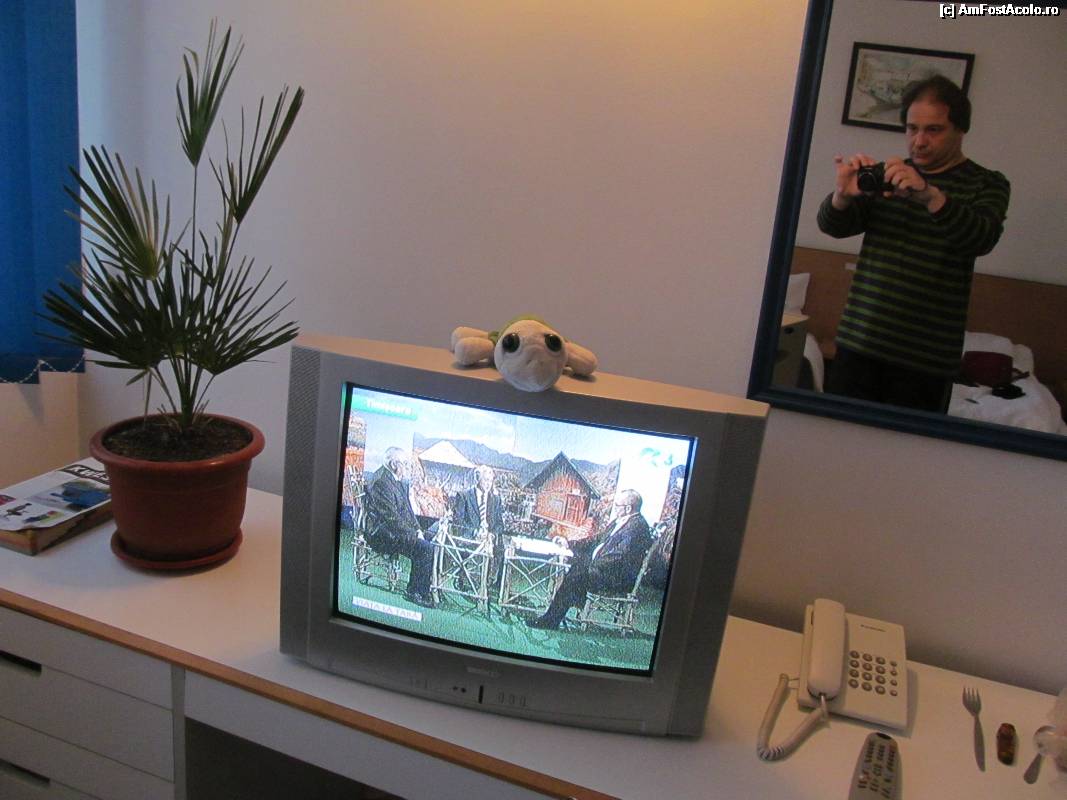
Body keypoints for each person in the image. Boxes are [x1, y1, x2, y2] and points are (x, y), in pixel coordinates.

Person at [816, 75, 1010, 412]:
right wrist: (841, 196)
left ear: (960, 129)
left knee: (907, 447)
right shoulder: (886, 175)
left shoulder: (987, 184)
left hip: (926, 361)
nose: (919, 141)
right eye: (911, 129)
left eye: (933, 130)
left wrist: (930, 196)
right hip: (859, 343)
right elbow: (832, 227)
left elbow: (981, 238)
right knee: (835, 439)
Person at [527, 490, 652, 630]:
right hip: (603, 570)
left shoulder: (637, 527)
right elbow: (596, 540)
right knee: (576, 569)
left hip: (616, 578)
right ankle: (561, 610)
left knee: (575, 575)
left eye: (617, 505)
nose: (614, 508)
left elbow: (618, 556)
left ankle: (551, 620)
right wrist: (570, 543)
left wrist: (591, 565)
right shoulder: (619, 521)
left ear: (628, 508)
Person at [363, 447, 436, 608]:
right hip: (382, 535)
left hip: (393, 531)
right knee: (425, 548)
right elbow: (391, 518)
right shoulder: (381, 482)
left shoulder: (396, 480)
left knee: (432, 540)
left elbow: (408, 512)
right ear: (394, 464)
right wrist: (414, 534)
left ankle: (425, 587)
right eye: (405, 464)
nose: (407, 467)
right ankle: (415, 592)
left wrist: (418, 530)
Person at [452, 465, 506, 591]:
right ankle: (465, 580)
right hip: (470, 538)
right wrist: (475, 533)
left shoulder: (496, 499)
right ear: (477, 479)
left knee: (503, 549)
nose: (488, 484)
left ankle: (494, 586)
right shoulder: (464, 496)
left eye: (490, 481)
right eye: (485, 480)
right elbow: (458, 522)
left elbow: (500, 524)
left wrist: (492, 534)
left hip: (488, 539)